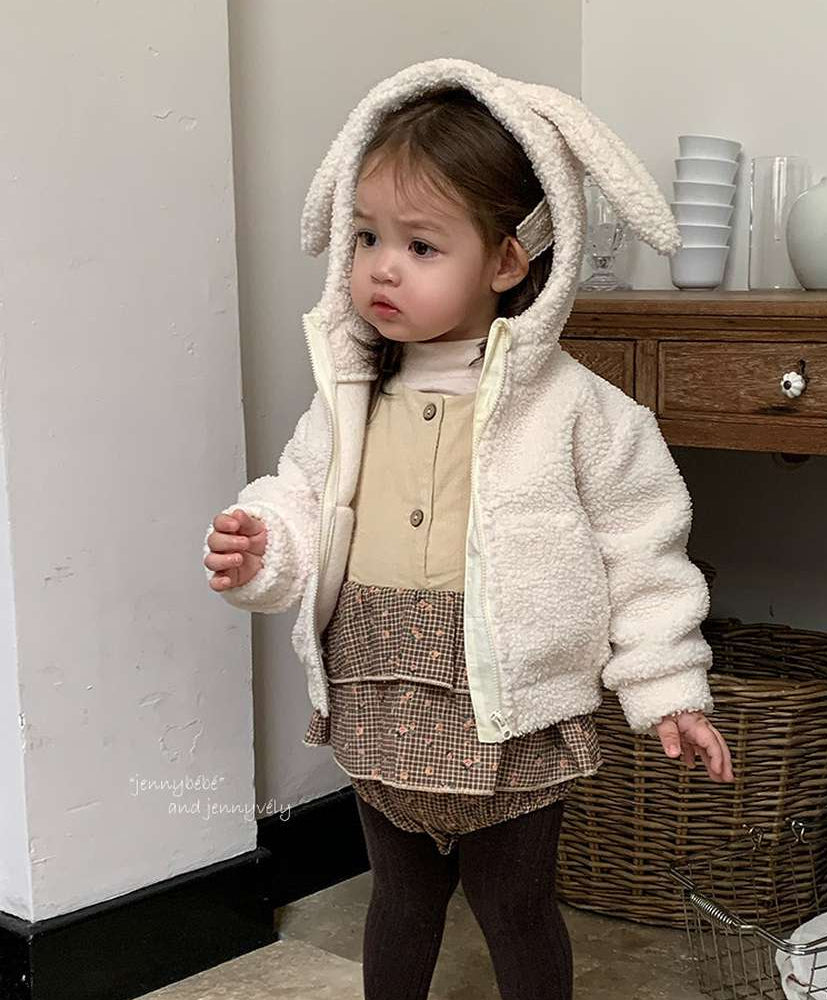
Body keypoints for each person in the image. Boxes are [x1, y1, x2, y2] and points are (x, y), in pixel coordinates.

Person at [203, 58, 734, 1000]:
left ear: (508, 261)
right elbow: (302, 497)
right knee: (400, 897)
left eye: (421, 245)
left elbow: (643, 551)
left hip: (509, 700)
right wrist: (265, 545)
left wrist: (666, 687)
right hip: (378, 682)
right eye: (366, 236)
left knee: (514, 903)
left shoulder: (580, 413)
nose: (382, 266)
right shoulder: (350, 394)